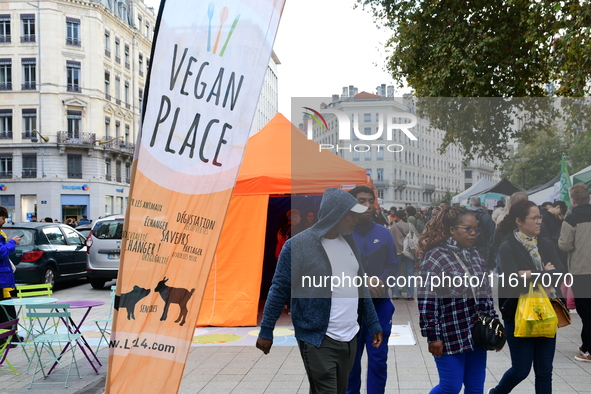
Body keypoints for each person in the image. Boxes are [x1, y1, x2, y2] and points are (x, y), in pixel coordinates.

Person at [257, 188, 383, 394]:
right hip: (318, 338)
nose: (356, 219)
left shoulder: (350, 242)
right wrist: (266, 330)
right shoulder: (297, 245)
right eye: (352, 214)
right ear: (337, 215)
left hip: (350, 337)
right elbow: (279, 288)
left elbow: (360, 286)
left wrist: (373, 322)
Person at [417, 206, 497, 394]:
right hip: (450, 333)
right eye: (467, 228)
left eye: (476, 229)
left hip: (477, 334)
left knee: (476, 388)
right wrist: (433, 335)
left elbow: (485, 294)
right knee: (450, 387)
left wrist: (493, 327)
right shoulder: (435, 257)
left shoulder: (475, 254)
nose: (473, 233)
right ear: (452, 229)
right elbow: (427, 301)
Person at [490, 200, 564, 393]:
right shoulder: (508, 247)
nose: (540, 221)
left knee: (544, 372)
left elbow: (560, 274)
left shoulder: (545, 244)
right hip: (517, 314)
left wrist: (529, 273)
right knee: (521, 370)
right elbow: (513, 282)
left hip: (545, 312)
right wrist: (543, 273)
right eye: (534, 218)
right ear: (519, 221)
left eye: (540, 217)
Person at [347, 186, 397, 394]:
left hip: (380, 306)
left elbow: (394, 266)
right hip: (351, 309)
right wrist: (363, 282)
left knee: (378, 362)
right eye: (361, 201)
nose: (367, 206)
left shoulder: (384, 233)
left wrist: (381, 282)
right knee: (351, 364)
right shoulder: (342, 235)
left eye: (370, 201)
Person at [558, 184, 591, 362]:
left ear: (573, 200)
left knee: (585, 310)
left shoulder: (572, 218)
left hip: (581, 270)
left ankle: (589, 349)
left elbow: (565, 245)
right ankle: (586, 344)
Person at [0, 206, 22, 348]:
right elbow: (1, 251)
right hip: (1, 279)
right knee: (5, 310)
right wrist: (12, 242)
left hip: (3, 279)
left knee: (7, 309)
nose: (4, 221)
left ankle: (11, 336)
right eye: (3, 218)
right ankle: (7, 338)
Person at [390, 210, 419, 300]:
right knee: (410, 273)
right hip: (408, 252)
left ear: (397, 217)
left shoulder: (393, 227)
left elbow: (390, 240)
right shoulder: (410, 225)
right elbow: (416, 236)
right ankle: (410, 295)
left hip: (397, 252)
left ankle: (395, 294)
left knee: (396, 273)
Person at [468, 196, 495, 262]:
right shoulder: (486, 216)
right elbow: (491, 232)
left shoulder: (466, 215)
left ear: (471, 204)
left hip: (468, 245)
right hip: (483, 246)